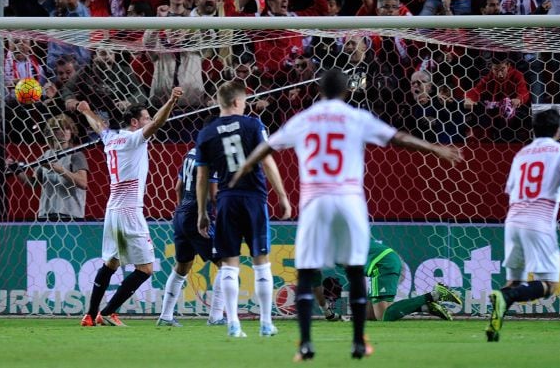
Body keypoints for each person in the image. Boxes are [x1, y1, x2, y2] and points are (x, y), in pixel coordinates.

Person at [230, 69, 461, 361]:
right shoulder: (355, 117)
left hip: (315, 199)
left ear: (318, 91)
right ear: (346, 92)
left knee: (306, 271)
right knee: (354, 271)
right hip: (349, 198)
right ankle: (358, 343)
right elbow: (398, 138)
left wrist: (243, 168)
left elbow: (266, 147)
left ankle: (305, 344)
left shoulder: (304, 119)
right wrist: (433, 148)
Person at [79, 87, 184, 327]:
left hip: (112, 211)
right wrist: (171, 100)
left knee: (111, 263)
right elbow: (157, 123)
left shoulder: (111, 138)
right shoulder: (133, 138)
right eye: (145, 119)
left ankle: (90, 315)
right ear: (135, 122)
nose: (148, 122)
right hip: (129, 211)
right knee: (145, 268)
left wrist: (86, 111)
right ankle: (107, 312)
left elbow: (99, 127)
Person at [195, 80, 292, 338]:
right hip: (253, 199)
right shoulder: (253, 125)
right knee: (261, 263)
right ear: (238, 101)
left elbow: (202, 177)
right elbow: (268, 160)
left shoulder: (207, 133)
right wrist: (282, 195)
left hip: (226, 199)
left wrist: (202, 212)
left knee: (229, 264)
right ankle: (265, 323)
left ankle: (233, 324)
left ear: (219, 101)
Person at [487, 108, 560, 342]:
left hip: (513, 221)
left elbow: (511, 190)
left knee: (514, 282)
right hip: (539, 222)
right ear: (559, 130)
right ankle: (506, 298)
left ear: (533, 129)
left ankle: (494, 326)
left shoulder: (522, 154)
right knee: (549, 284)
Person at [156, 147, 226, 327]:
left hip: (181, 214)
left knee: (182, 266)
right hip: (199, 215)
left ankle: (165, 316)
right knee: (226, 263)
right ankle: (216, 316)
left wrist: (182, 210)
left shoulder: (191, 153)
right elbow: (213, 194)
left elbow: (177, 187)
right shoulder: (213, 156)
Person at [312, 239, 463, 322]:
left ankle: (435, 295)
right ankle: (427, 307)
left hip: (382, 264)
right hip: (384, 261)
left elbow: (317, 285)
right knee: (369, 317)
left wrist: (327, 312)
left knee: (385, 317)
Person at [13, 114, 88, 221]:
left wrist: (58, 169)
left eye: (67, 128)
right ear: (51, 133)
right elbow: (33, 184)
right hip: (46, 214)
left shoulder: (76, 154)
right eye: (59, 128)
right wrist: (17, 171)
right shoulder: (45, 156)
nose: (64, 131)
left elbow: (83, 183)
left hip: (70, 214)